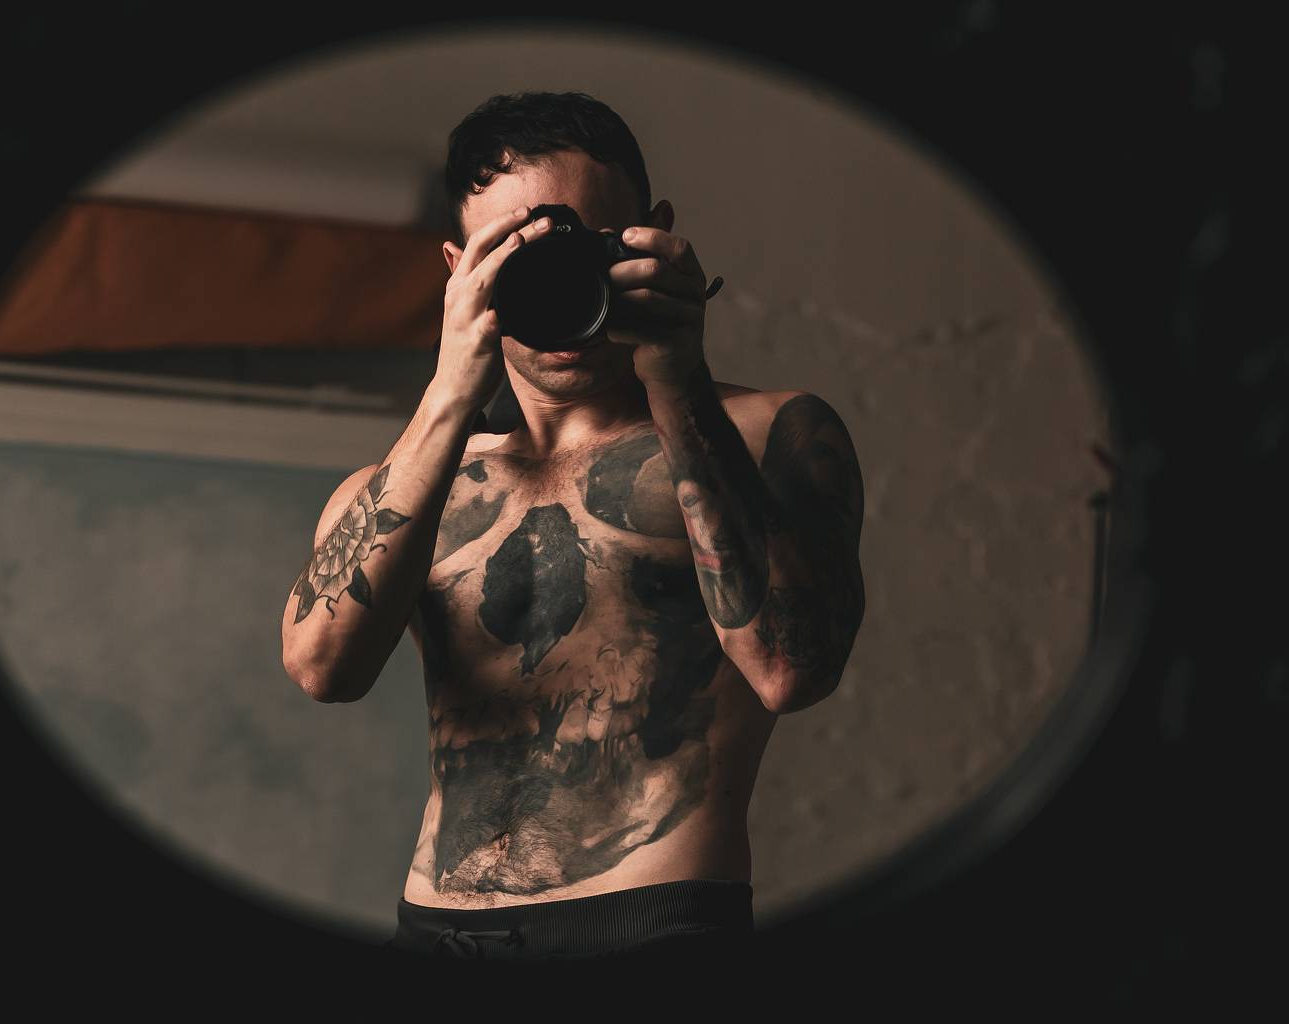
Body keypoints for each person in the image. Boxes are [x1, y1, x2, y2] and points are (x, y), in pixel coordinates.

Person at [279, 91, 866, 961]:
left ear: (655, 236)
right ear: (459, 267)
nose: (554, 279)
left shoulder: (764, 433)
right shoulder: (401, 485)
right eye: (515, 254)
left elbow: (790, 670)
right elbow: (322, 669)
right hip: (434, 928)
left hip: (650, 924)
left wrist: (677, 379)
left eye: (589, 246)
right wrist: (449, 391)